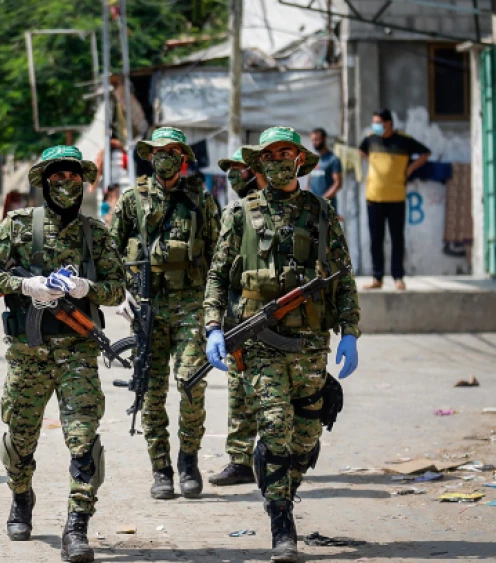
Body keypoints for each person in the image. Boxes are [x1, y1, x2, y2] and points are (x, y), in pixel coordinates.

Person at [204, 127, 360, 562]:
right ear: (259, 164)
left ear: (298, 161)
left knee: (307, 436)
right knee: (275, 427)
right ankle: (281, 522)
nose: (275, 161)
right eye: (268, 155)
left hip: (310, 344)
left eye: (284, 154)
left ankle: (281, 483)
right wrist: (213, 326)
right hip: (260, 345)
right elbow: (218, 276)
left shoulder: (321, 212)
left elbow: (343, 277)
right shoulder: (239, 214)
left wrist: (349, 330)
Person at [0, 145, 124, 563]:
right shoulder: (18, 226)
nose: (66, 183)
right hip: (28, 355)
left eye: (73, 176)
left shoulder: (96, 232)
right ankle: (21, 498)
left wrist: (87, 289)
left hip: (78, 354)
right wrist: (25, 286)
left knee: (83, 441)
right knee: (20, 439)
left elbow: (118, 288)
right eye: (57, 176)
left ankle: (76, 526)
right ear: (43, 181)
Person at [109, 127, 221, 500]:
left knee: (191, 383)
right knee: (151, 392)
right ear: (150, 156)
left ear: (184, 157)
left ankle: (188, 460)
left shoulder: (200, 199)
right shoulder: (131, 200)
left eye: (173, 150)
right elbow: (109, 251)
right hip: (147, 305)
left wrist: (219, 309)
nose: (166, 156)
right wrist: (119, 294)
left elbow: (221, 254)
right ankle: (161, 469)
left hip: (191, 301)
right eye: (159, 151)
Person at [209, 148, 266, 487]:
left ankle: (283, 456)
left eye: (239, 170)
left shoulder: (276, 207)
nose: (233, 177)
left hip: (275, 312)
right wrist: (215, 322)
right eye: (229, 171)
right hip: (240, 312)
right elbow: (222, 267)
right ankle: (240, 459)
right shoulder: (234, 211)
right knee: (239, 388)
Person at [359, 109, 430, 291]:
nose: (376, 126)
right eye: (374, 122)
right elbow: (361, 151)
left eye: (379, 123)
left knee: (397, 238)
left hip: (396, 197)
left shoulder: (404, 140)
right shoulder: (370, 139)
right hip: (373, 197)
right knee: (376, 239)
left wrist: (410, 168)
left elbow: (425, 153)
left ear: (389, 123)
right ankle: (377, 278)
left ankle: (398, 277)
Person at [306, 128, 342, 210]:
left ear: (324, 139)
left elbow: (338, 184)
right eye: (313, 140)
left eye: (316, 139)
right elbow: (309, 183)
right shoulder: (312, 160)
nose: (314, 143)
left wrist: (322, 200)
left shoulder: (333, 159)